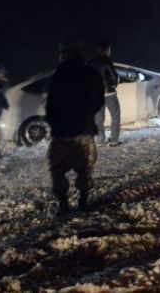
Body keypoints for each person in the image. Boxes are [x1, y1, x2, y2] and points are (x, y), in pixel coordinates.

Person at [45, 42, 104, 216]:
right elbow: (99, 101)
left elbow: (50, 106)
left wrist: (55, 123)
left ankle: (63, 204)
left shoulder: (57, 76)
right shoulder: (91, 74)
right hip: (84, 132)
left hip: (62, 133)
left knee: (57, 170)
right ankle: (83, 201)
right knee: (84, 168)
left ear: (63, 56)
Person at [87, 41, 121, 146]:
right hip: (109, 93)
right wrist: (115, 84)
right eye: (109, 50)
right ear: (106, 50)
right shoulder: (107, 61)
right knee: (115, 116)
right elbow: (114, 78)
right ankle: (114, 140)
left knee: (99, 119)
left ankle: (100, 141)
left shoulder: (90, 62)